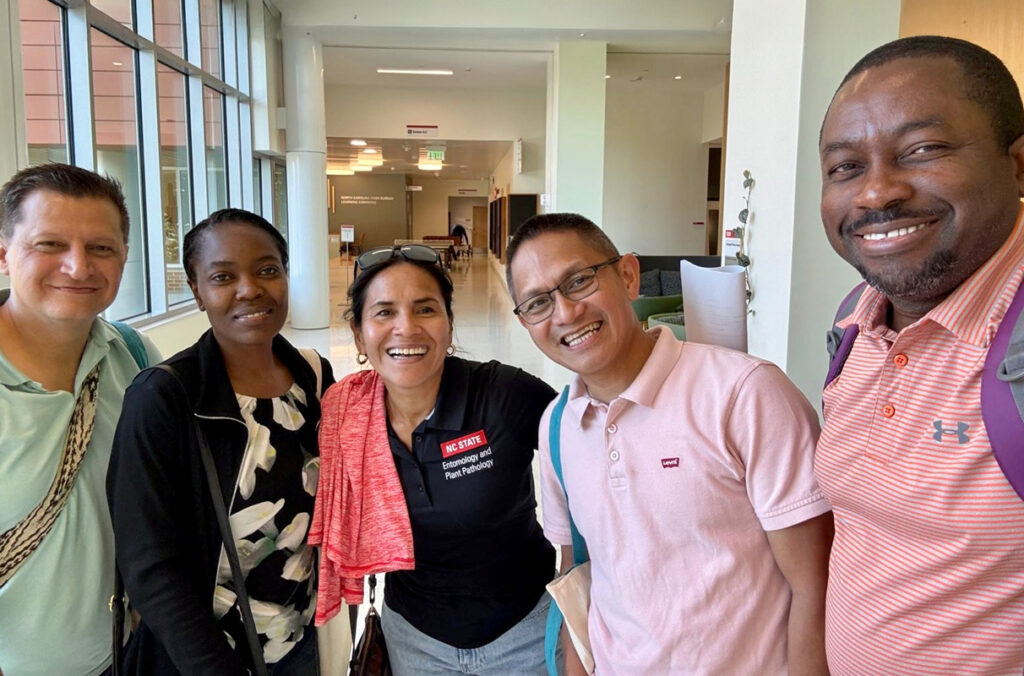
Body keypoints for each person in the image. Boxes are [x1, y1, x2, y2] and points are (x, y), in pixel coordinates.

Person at [506, 213, 833, 676]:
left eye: (579, 281)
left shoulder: (745, 394)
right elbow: (579, 575)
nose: (565, 313)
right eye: (538, 302)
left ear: (628, 275)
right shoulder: (558, 425)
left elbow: (814, 585)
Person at [815, 36, 1024, 674]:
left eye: (923, 150)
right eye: (845, 167)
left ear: (1018, 165)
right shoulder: (855, 320)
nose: (876, 193)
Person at [107, 208, 334, 675]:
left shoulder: (312, 377)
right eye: (223, 277)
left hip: (300, 641)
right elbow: (149, 566)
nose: (249, 289)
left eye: (267, 270)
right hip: (206, 659)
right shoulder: (163, 396)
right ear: (197, 292)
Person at [312, 244, 557, 675]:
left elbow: (592, 453)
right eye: (384, 312)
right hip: (414, 640)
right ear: (359, 335)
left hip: (525, 635)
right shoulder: (347, 417)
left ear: (449, 323)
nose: (406, 328)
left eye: (425, 309)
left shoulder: (503, 395)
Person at [0, 163, 159, 676]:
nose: (77, 266)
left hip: (124, 654)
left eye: (101, 248)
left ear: (124, 257)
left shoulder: (136, 358)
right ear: (3, 254)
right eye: (49, 244)